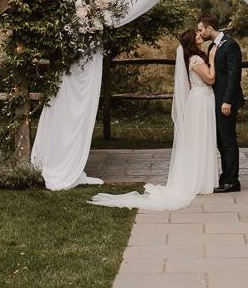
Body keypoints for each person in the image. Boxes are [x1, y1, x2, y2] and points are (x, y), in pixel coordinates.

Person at [89, 29, 219, 211]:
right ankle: (198, 180)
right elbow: (211, 79)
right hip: (200, 100)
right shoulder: (195, 59)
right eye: (196, 35)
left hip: (202, 99)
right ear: (191, 42)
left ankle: (203, 178)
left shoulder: (194, 58)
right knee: (199, 139)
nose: (200, 36)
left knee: (202, 139)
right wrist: (212, 59)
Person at [198, 15, 245, 193]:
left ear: (210, 28)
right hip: (215, 100)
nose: (200, 33)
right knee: (219, 140)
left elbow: (234, 76)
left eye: (201, 29)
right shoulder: (212, 46)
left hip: (227, 101)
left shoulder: (230, 45)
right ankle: (226, 177)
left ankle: (232, 181)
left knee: (228, 140)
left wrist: (227, 101)